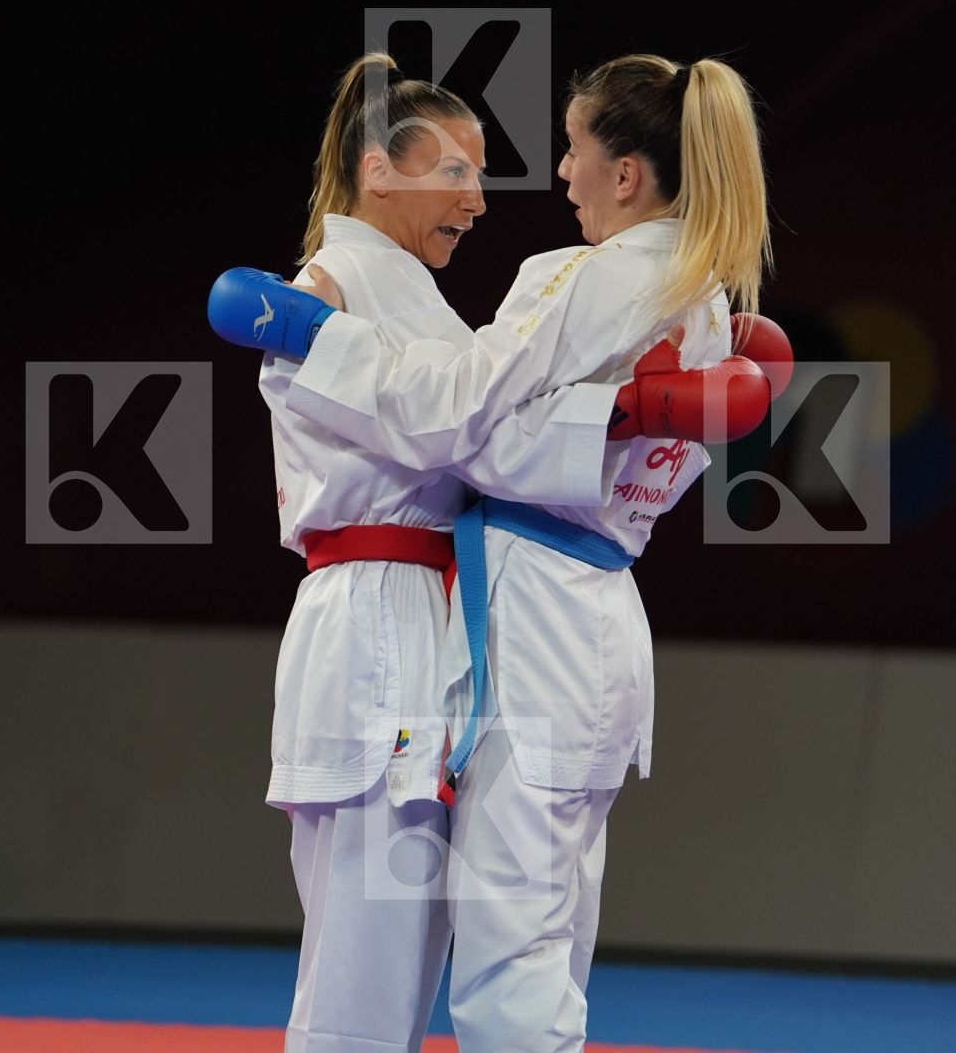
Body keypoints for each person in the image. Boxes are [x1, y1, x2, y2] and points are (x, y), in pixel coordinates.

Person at [212, 54, 781, 1052]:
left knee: (498, 953)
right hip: (482, 621)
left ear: (626, 173)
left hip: (521, 620)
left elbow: (461, 415)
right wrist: (629, 413)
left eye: (569, 150)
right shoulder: (691, 286)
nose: (524, 187)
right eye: (457, 173)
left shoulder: (589, 276)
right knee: (429, 960)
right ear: (380, 170)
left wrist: (326, 341)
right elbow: (473, 422)